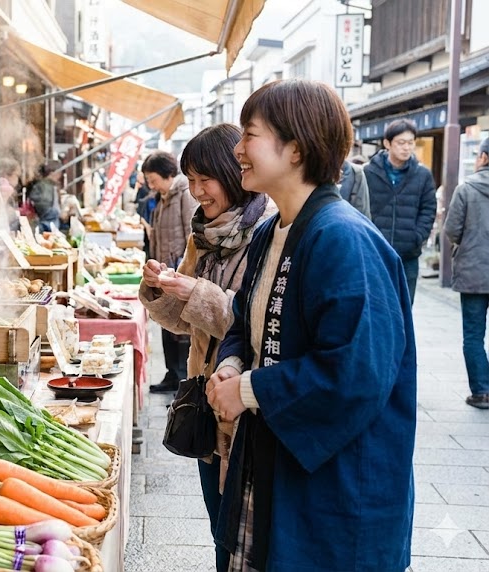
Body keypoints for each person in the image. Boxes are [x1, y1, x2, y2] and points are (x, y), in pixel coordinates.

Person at [206, 79, 416, 571]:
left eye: (249, 135)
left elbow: (356, 372)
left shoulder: (344, 239)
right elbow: (245, 319)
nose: (238, 150)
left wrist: (249, 390)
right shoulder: (271, 231)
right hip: (275, 460)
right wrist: (232, 363)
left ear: (295, 147)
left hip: (334, 484)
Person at [139, 124, 275, 571]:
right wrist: (160, 290)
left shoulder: (267, 231)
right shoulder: (203, 236)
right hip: (205, 396)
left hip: (246, 403)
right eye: (190, 180)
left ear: (232, 171)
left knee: (241, 535)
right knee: (219, 525)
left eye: (205, 179)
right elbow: (185, 322)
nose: (197, 192)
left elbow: (253, 319)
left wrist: (193, 290)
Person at [364, 118, 437, 305]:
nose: (406, 148)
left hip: (408, 255)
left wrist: (417, 237)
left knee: (404, 308)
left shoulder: (423, 175)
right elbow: (360, 207)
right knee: (375, 306)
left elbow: (428, 209)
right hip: (375, 251)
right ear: (387, 143)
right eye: (401, 142)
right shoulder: (368, 172)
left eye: (410, 143)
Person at [142, 151, 197, 393]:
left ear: (168, 174)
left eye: (153, 179)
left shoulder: (184, 195)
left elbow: (191, 233)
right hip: (164, 272)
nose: (150, 185)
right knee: (165, 325)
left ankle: (182, 377)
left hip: (179, 271)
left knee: (181, 328)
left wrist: (184, 267)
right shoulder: (162, 199)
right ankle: (171, 374)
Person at [445, 136, 489, 409]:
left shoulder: (466, 189)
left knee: (473, 334)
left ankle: (482, 392)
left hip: (473, 273)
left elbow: (451, 230)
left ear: (483, 157)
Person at [29, 160, 63, 232]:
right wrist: (57, 213)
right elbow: (44, 207)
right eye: (59, 173)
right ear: (52, 173)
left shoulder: (51, 185)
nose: (60, 176)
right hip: (47, 223)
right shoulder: (44, 186)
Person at [0, 157, 21, 232]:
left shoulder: (9, 194)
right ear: (6, 175)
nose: (18, 180)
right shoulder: (2, 191)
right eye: (17, 175)